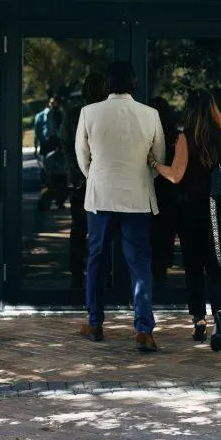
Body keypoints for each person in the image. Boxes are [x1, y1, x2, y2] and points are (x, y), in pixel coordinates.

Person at [75, 61, 166, 352]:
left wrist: (96, 177)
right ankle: (143, 330)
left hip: (100, 196)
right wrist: (142, 177)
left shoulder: (89, 112)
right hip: (137, 196)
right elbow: (158, 157)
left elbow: (82, 155)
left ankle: (95, 322)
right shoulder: (150, 114)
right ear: (135, 83)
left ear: (107, 85)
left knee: (97, 259)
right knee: (140, 264)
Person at [152, 90, 221, 353]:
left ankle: (199, 321)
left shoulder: (185, 139)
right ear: (213, 110)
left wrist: (153, 163)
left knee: (194, 269)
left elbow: (175, 175)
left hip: (192, 213)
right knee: (218, 267)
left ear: (190, 112)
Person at [63, 73, 107, 289]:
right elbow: (67, 145)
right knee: (94, 228)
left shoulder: (75, 112)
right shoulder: (79, 113)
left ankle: (79, 273)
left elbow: (66, 146)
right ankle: (91, 273)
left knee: (80, 228)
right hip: (91, 179)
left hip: (83, 178)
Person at [148, 96, 179, 287]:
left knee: (151, 233)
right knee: (165, 234)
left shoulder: (147, 135)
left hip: (151, 189)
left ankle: (156, 272)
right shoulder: (175, 138)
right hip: (169, 190)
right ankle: (161, 272)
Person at [34, 96, 65, 210]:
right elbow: (37, 133)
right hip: (46, 146)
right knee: (47, 176)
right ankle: (46, 201)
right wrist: (36, 147)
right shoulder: (41, 116)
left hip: (57, 146)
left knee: (59, 176)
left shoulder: (61, 114)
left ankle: (59, 201)